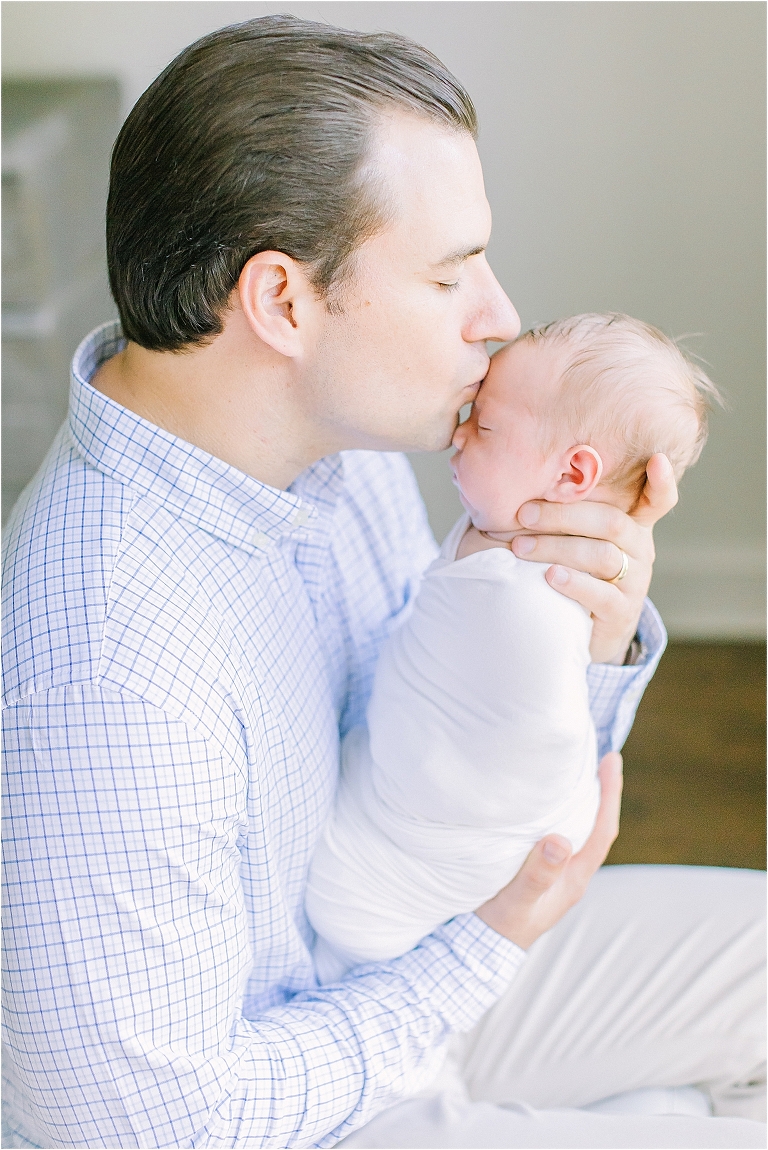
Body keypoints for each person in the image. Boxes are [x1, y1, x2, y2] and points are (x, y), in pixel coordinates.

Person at [1, 17, 763, 1150]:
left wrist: (585, 635)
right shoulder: (109, 666)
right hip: (289, 1097)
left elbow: (432, 744)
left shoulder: (328, 436)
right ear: (283, 302)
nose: (499, 315)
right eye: (451, 272)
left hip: (408, 954)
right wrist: (489, 945)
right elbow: (152, 1125)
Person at [305, 313, 722, 978]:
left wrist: (608, 644)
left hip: (430, 862)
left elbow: (549, 745)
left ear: (573, 473)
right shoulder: (491, 540)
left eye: (486, 425)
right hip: (392, 839)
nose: (459, 433)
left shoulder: (534, 601)